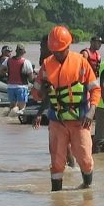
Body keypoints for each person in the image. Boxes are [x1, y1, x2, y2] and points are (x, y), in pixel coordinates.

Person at [31, 26, 101, 191]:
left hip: (81, 120)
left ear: (68, 46)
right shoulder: (46, 66)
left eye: (60, 50)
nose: (57, 54)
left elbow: (95, 90)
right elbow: (35, 94)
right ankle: (56, 195)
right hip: (57, 122)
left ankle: (87, 188)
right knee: (56, 161)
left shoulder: (81, 63)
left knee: (85, 159)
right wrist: (42, 91)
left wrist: (92, 111)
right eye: (54, 50)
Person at [33, 34, 75, 168]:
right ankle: (67, 169)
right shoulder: (50, 62)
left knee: (63, 145)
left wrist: (39, 113)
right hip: (59, 108)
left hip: (62, 109)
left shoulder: (53, 63)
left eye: (42, 46)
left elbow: (51, 92)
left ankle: (68, 169)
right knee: (61, 144)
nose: (41, 49)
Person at [0, 43, 34, 115]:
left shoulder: (8, 60)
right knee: (22, 109)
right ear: (24, 52)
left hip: (10, 87)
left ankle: (7, 116)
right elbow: (31, 78)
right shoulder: (26, 62)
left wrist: (7, 74)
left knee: (12, 106)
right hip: (22, 87)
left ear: (16, 51)